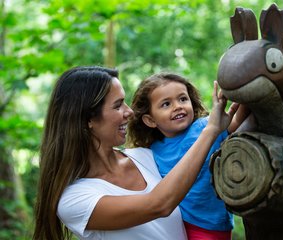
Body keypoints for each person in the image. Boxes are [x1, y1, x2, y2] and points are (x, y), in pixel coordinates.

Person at [33, 66, 239, 240]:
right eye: (117, 105)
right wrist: (211, 130)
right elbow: (158, 204)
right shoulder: (75, 200)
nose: (129, 112)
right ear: (88, 120)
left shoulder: (145, 157)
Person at [127, 73, 249, 240]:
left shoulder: (205, 127)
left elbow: (235, 122)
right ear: (150, 120)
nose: (177, 106)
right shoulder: (150, 151)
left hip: (209, 227)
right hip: (173, 226)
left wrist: (245, 87)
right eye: (166, 104)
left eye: (183, 99)